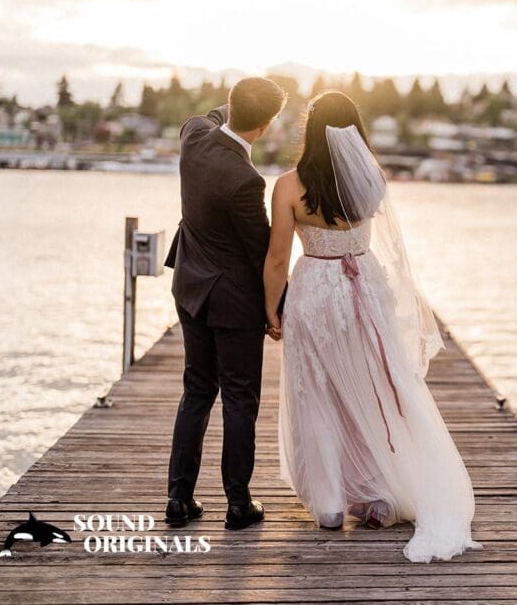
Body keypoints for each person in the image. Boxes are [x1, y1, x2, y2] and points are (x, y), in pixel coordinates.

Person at [262, 91, 481, 562]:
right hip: (365, 290)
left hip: (315, 291)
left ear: (311, 130)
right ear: (354, 132)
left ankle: (328, 504)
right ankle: (378, 494)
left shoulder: (287, 186)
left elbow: (278, 257)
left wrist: (271, 309)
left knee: (315, 393)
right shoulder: (370, 181)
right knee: (372, 388)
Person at [163, 76, 286, 530]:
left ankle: (178, 499)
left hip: (190, 290)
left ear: (231, 106)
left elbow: (212, 116)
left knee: (197, 390)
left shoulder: (192, 136)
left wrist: (236, 104)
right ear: (267, 125)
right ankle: (238, 503)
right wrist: (278, 308)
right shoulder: (246, 180)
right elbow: (262, 253)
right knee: (239, 398)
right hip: (234, 303)